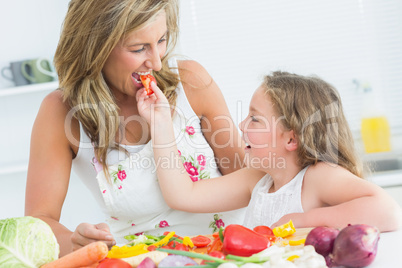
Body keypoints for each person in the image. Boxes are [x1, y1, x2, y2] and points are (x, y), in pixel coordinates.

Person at [25, 0, 247, 257]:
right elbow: (38, 222)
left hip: (231, 255)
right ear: (97, 47)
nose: (156, 63)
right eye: (139, 48)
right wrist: (74, 241)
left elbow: (253, 181)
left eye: (161, 40)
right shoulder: (62, 113)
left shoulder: (189, 81)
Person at [137, 70, 402, 233]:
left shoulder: (317, 178)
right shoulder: (259, 179)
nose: (241, 126)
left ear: (291, 138)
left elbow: (388, 211)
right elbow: (183, 195)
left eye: (255, 119)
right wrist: (160, 122)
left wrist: (305, 219)